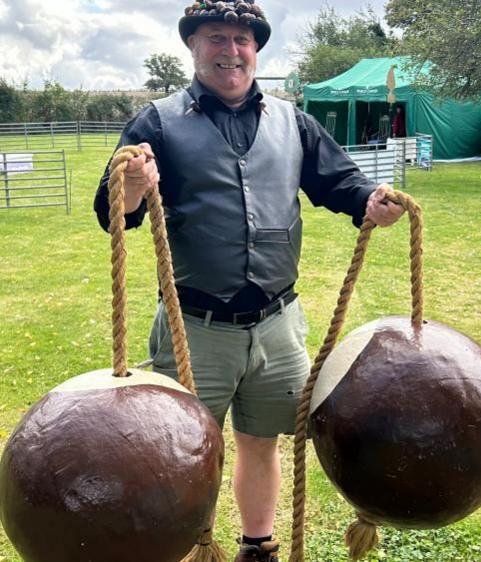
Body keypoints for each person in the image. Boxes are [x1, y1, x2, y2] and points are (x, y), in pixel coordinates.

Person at [93, 2, 403, 561]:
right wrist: (135, 183)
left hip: (277, 325)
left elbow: (340, 183)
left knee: (262, 444)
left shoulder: (293, 122)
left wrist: (371, 202)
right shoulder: (157, 123)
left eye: (242, 40)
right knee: (187, 452)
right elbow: (115, 210)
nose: (230, 51)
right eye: (216, 38)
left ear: (256, 50)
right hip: (195, 328)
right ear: (192, 46)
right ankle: (197, 546)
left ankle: (257, 548)